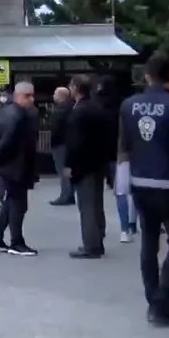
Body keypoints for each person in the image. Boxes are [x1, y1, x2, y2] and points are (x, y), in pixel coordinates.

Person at [120, 53, 169, 327]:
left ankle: (154, 300)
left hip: (141, 183)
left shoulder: (129, 105)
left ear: (146, 76)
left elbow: (125, 145)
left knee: (149, 242)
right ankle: (162, 300)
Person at [0, 81, 40, 257]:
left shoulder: (11, 112)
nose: (31, 99)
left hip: (14, 165)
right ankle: (16, 242)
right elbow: (6, 142)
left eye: (32, 95)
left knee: (11, 203)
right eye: (27, 95)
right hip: (16, 165)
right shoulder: (17, 116)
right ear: (17, 96)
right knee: (18, 204)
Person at [64, 75, 112, 258]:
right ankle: (98, 236)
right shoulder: (96, 107)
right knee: (96, 203)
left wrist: (70, 164)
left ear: (76, 88)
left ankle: (91, 245)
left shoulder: (80, 111)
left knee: (87, 206)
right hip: (98, 162)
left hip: (84, 164)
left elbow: (75, 142)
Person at [98, 75, 137, 242]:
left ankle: (124, 228)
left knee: (120, 192)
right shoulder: (126, 105)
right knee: (131, 190)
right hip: (126, 151)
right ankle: (131, 224)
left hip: (107, 152)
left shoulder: (97, 105)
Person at [48, 87, 75, 206]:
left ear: (61, 96)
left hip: (60, 144)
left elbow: (56, 128)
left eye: (55, 94)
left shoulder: (61, 110)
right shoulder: (72, 107)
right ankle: (69, 194)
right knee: (67, 170)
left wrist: (52, 140)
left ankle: (65, 196)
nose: (53, 96)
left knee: (62, 170)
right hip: (68, 143)